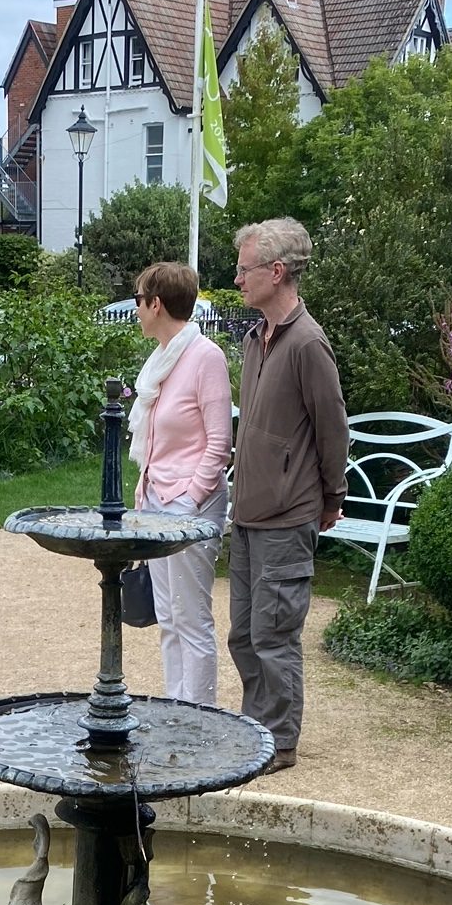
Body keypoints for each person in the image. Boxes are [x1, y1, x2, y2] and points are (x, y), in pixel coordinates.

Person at [228, 218, 348, 773]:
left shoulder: (307, 343)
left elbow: (332, 428)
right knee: (243, 636)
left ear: (276, 272)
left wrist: (332, 496)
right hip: (249, 512)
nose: (237, 279)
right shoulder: (256, 340)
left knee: (273, 637)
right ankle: (256, 731)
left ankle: (278, 742)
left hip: (287, 515)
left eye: (244, 269)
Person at [130, 261, 233, 706]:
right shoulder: (161, 360)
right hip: (157, 501)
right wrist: (146, 491)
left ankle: (200, 717)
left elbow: (219, 443)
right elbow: (155, 438)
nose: (136, 309)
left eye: (139, 300)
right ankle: (175, 708)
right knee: (168, 616)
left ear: (156, 304)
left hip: (190, 504)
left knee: (192, 619)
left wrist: (190, 501)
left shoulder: (205, 357)